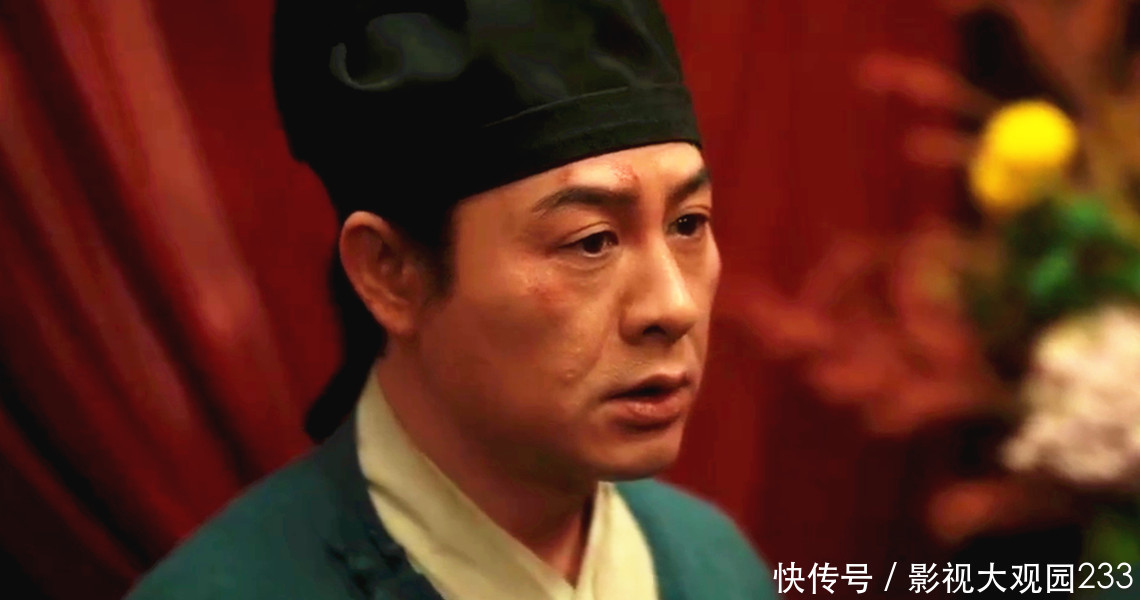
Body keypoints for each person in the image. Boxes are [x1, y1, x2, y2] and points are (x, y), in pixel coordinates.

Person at [127, 0, 776, 598]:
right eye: (591, 240)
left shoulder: (716, 565)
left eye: (688, 223)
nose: (672, 306)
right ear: (391, 273)